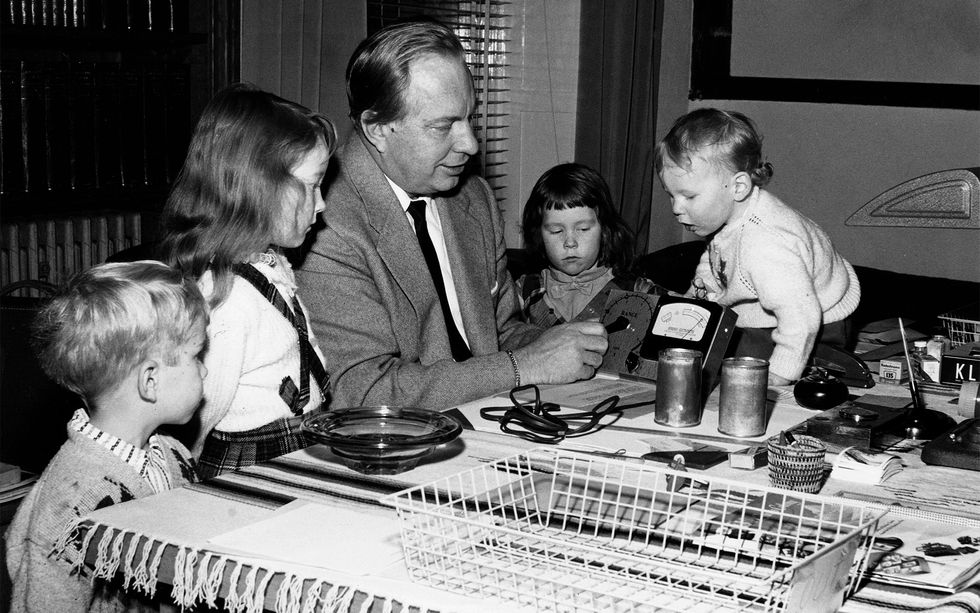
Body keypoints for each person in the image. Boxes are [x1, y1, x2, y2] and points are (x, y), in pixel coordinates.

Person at [297, 20, 608, 409]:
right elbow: (362, 391)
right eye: (444, 126)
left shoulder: (472, 198)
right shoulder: (325, 223)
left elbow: (500, 332)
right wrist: (524, 366)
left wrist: (564, 346)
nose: (471, 144)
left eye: (469, 119)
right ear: (377, 128)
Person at [4, 261, 205, 612]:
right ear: (150, 380)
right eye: (196, 355)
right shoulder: (75, 501)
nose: (204, 368)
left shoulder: (173, 455)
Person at [158, 83, 337, 477]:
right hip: (255, 461)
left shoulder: (268, 266)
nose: (322, 204)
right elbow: (199, 416)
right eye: (312, 185)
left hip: (299, 441)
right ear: (258, 189)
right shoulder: (228, 297)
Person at [655, 108, 860, 385]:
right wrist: (693, 297)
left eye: (689, 196)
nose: (677, 208)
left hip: (819, 319)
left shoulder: (767, 244)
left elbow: (801, 319)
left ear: (738, 186)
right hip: (770, 306)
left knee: (750, 376)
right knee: (724, 363)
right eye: (671, 195)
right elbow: (717, 260)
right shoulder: (728, 218)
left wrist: (779, 375)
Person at [516, 162, 663, 326]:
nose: (570, 243)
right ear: (539, 234)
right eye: (557, 231)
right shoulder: (524, 290)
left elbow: (684, 315)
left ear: (604, 229)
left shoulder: (636, 291)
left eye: (583, 229)